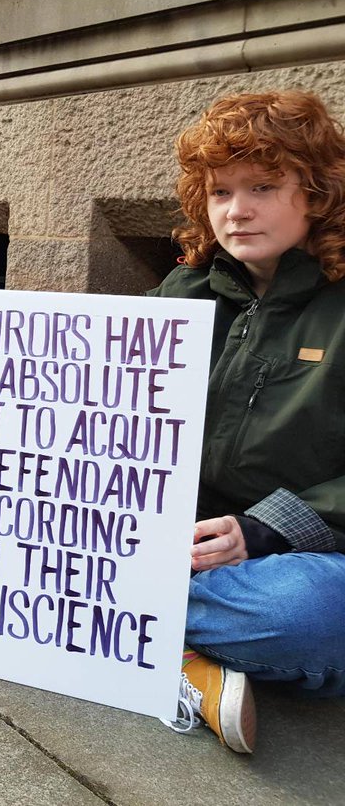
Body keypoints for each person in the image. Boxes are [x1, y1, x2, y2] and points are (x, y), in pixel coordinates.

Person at [141, 90, 345, 755]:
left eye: (263, 185)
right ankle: (176, 646)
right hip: (188, 540)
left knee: (308, 614)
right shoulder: (184, 290)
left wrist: (266, 529)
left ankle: (114, 614)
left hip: (305, 556)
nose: (237, 210)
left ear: (315, 192)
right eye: (220, 191)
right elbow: (98, 405)